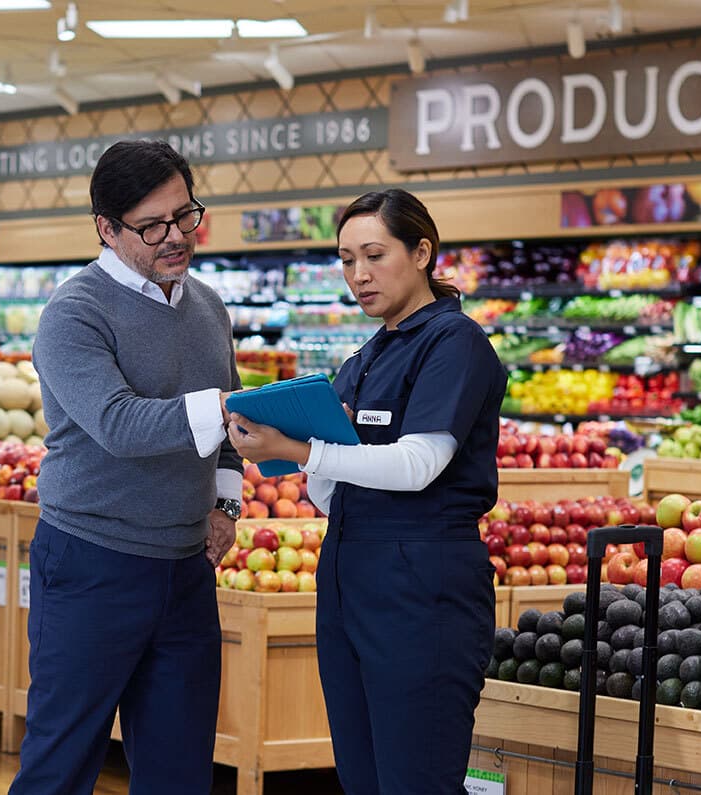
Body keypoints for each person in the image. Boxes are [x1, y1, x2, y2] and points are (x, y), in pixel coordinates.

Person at [225, 189, 504, 795]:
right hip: (349, 575)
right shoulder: (364, 357)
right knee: (361, 777)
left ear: (422, 251)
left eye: (375, 255)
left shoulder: (453, 344)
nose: (359, 275)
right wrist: (308, 444)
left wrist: (299, 450)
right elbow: (330, 493)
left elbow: (419, 465)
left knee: (416, 777)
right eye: (347, 260)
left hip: (423, 583)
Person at [9, 140, 243, 795]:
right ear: (107, 230)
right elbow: (118, 423)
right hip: (92, 563)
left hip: (185, 571)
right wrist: (225, 407)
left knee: (180, 770)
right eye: (152, 226)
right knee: (60, 764)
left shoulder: (208, 307)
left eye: (186, 216)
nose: (176, 237)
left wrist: (226, 505)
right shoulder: (73, 313)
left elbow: (228, 438)